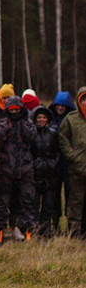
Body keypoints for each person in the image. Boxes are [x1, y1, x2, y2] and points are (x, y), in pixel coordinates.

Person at [0, 96, 37, 244]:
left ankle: (25, 229)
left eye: (17, 110)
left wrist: (22, 123)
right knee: (1, 202)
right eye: (12, 110)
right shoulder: (4, 122)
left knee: (26, 201)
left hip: (25, 169)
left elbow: (33, 136)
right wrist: (7, 125)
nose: (15, 112)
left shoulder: (27, 122)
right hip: (5, 170)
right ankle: (0, 231)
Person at [57, 86, 86, 238]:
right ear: (79, 101)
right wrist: (74, 156)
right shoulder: (71, 119)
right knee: (76, 203)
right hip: (77, 171)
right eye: (83, 99)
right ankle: (74, 233)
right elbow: (63, 140)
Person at [31, 106, 60, 237]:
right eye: (39, 118)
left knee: (48, 205)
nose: (41, 120)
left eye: (44, 117)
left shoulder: (53, 134)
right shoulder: (31, 134)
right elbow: (29, 152)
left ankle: (46, 230)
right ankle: (36, 229)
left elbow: (58, 151)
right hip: (36, 174)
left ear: (47, 119)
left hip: (50, 174)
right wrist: (34, 164)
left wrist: (53, 163)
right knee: (35, 205)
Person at [50, 91, 76, 233]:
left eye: (63, 106)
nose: (60, 108)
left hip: (68, 163)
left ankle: (71, 224)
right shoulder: (51, 119)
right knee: (55, 195)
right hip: (55, 163)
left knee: (70, 194)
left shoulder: (72, 120)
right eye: (58, 105)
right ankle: (55, 222)